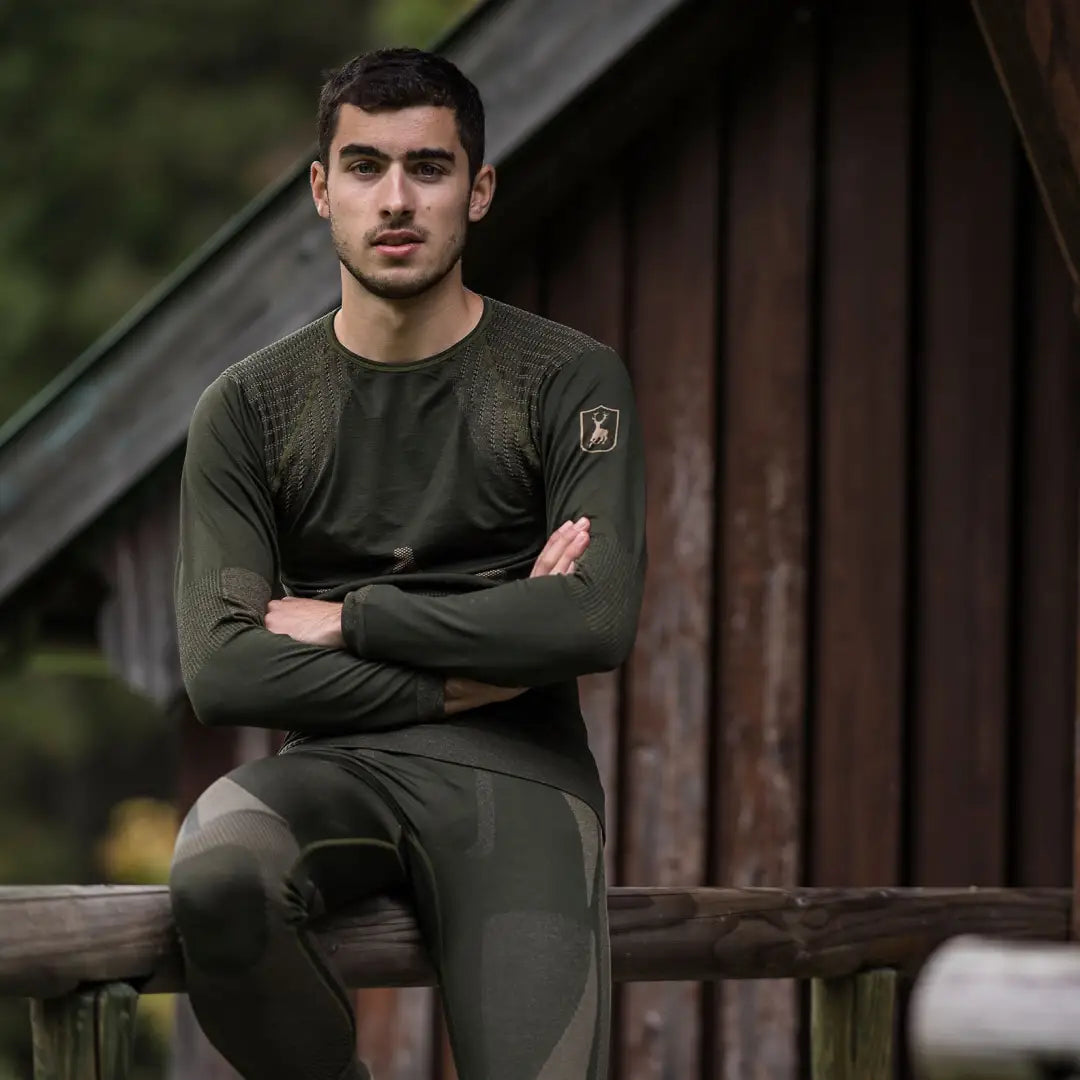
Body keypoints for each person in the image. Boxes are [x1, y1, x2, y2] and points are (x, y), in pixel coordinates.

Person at [170, 46, 646, 1080]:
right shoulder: (249, 409)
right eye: (365, 166)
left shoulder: (566, 380)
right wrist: (498, 642)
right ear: (320, 190)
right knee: (215, 865)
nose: (396, 199)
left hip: (519, 787)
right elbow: (225, 672)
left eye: (428, 169)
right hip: (331, 773)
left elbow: (595, 624)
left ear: (477, 190)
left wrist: (352, 618)